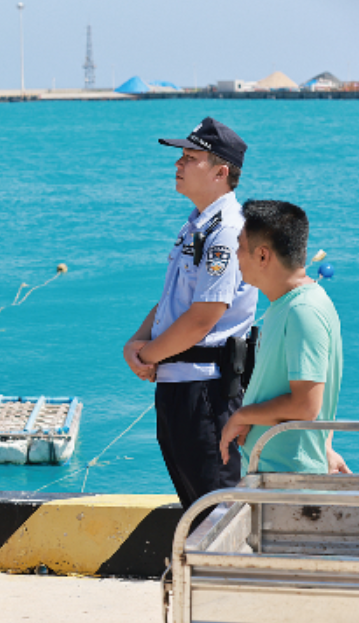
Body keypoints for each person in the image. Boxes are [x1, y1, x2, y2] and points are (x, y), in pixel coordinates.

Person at [123, 117, 258, 510]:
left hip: (207, 391)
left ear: (221, 171)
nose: (178, 164)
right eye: (180, 156)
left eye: (190, 157)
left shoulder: (227, 231)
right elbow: (172, 302)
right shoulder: (196, 226)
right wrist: (138, 341)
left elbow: (204, 316)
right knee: (194, 508)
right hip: (178, 383)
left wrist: (147, 355)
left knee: (216, 513)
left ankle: (226, 575)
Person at [219, 200, 349, 475]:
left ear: (263, 256)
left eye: (241, 246)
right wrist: (324, 447)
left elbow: (305, 405)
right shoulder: (289, 304)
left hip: (287, 479)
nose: (236, 254)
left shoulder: (303, 311)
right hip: (275, 474)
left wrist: (242, 415)